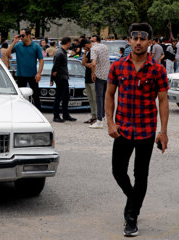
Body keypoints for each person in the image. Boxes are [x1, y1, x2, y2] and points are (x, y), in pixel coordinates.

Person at [106, 23, 169, 237]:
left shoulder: (157, 70)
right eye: (135, 38)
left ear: (150, 42)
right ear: (129, 40)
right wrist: (110, 123)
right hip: (122, 129)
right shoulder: (118, 66)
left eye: (143, 39)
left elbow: (162, 101)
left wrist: (164, 131)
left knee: (141, 174)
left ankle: (131, 217)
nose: (138, 42)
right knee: (117, 170)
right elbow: (109, 95)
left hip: (146, 130)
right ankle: (133, 199)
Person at [7, 28, 44, 111]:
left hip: (33, 75)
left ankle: (38, 112)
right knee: (20, 96)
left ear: (28, 36)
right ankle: (21, 111)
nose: (21, 37)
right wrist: (14, 42)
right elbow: (7, 53)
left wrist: (39, 73)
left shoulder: (36, 46)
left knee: (36, 96)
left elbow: (41, 60)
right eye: (20, 36)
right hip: (21, 75)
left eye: (23, 36)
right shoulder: (18, 45)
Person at [50, 37, 76, 122]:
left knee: (66, 97)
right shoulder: (60, 53)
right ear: (68, 42)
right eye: (70, 43)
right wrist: (52, 79)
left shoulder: (63, 52)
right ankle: (56, 116)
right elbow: (54, 67)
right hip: (60, 77)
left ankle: (65, 115)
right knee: (59, 97)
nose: (70, 44)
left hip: (64, 77)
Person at [88, 35, 110, 129]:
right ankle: (103, 116)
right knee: (104, 97)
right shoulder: (105, 47)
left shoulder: (94, 48)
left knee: (98, 98)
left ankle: (99, 120)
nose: (91, 42)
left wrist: (93, 73)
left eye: (91, 40)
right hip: (106, 74)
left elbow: (93, 63)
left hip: (99, 75)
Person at [80, 38, 97, 124]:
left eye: (84, 48)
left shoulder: (94, 50)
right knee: (90, 99)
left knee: (95, 98)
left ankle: (97, 117)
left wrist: (91, 66)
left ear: (86, 45)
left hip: (93, 78)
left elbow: (94, 64)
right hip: (87, 78)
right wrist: (84, 53)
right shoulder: (88, 52)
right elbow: (83, 63)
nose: (84, 49)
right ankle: (93, 116)